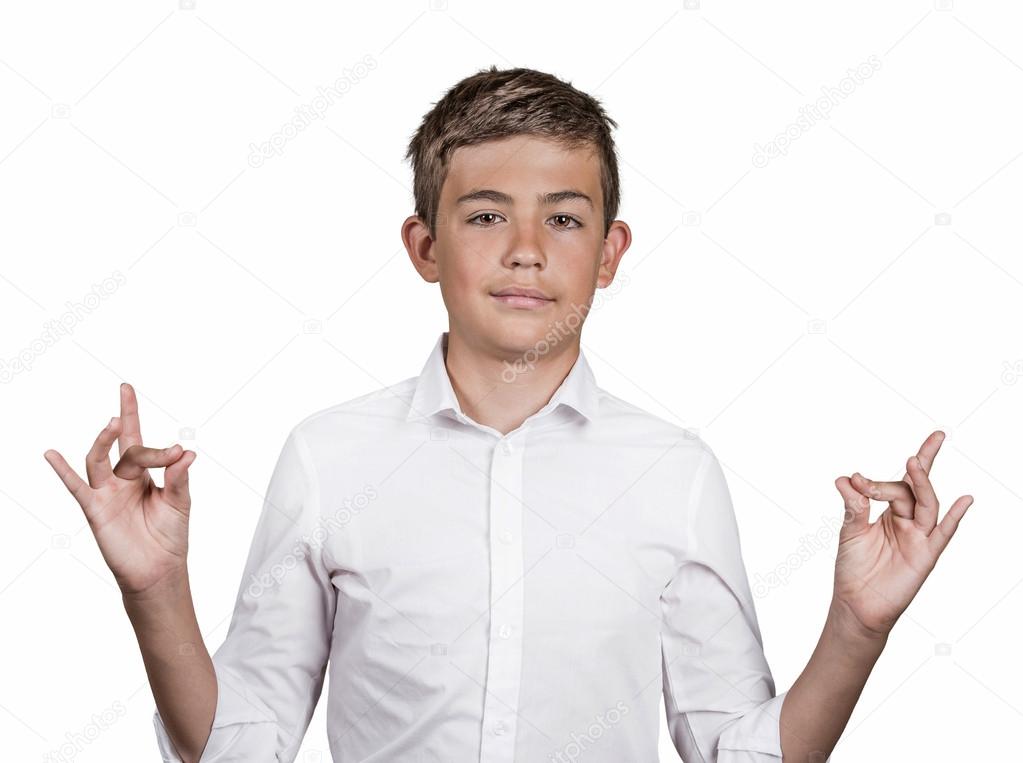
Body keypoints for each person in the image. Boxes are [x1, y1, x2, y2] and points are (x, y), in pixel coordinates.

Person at [44, 66, 975, 762]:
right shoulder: (330, 458)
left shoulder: (673, 473)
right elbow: (241, 747)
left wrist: (858, 626)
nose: (526, 250)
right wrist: (154, 592)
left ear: (609, 254)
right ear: (424, 245)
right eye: (486, 216)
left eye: (563, 220)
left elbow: (741, 750)